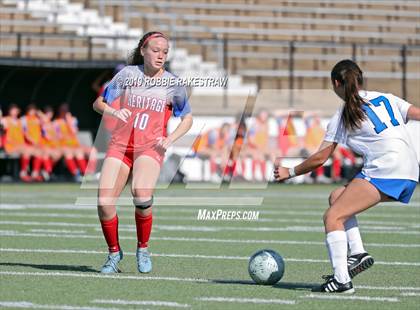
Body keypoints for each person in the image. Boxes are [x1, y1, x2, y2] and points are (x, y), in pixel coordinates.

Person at [274, 59, 419, 293]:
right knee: (337, 197)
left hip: (386, 169)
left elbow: (321, 158)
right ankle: (358, 253)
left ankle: (341, 280)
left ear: (336, 83)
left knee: (332, 218)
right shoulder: (386, 97)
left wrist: (289, 172)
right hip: (410, 169)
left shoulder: (343, 112)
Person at [92, 31, 193, 274]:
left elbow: (187, 118)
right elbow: (98, 103)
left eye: (165, 52)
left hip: (150, 148)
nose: (161, 55)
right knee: (104, 203)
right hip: (120, 146)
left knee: (141, 193)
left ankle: (143, 248)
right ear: (143, 51)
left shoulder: (173, 84)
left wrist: (170, 138)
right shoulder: (127, 75)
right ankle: (114, 253)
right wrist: (114, 112)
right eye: (156, 50)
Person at [1, 104, 38, 182]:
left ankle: (36, 173)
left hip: (20, 145)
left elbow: (25, 133)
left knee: (39, 152)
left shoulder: (19, 121)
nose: (14, 112)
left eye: (16, 110)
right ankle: (23, 173)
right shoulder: (6, 120)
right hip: (10, 145)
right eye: (12, 110)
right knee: (27, 151)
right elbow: (2, 129)